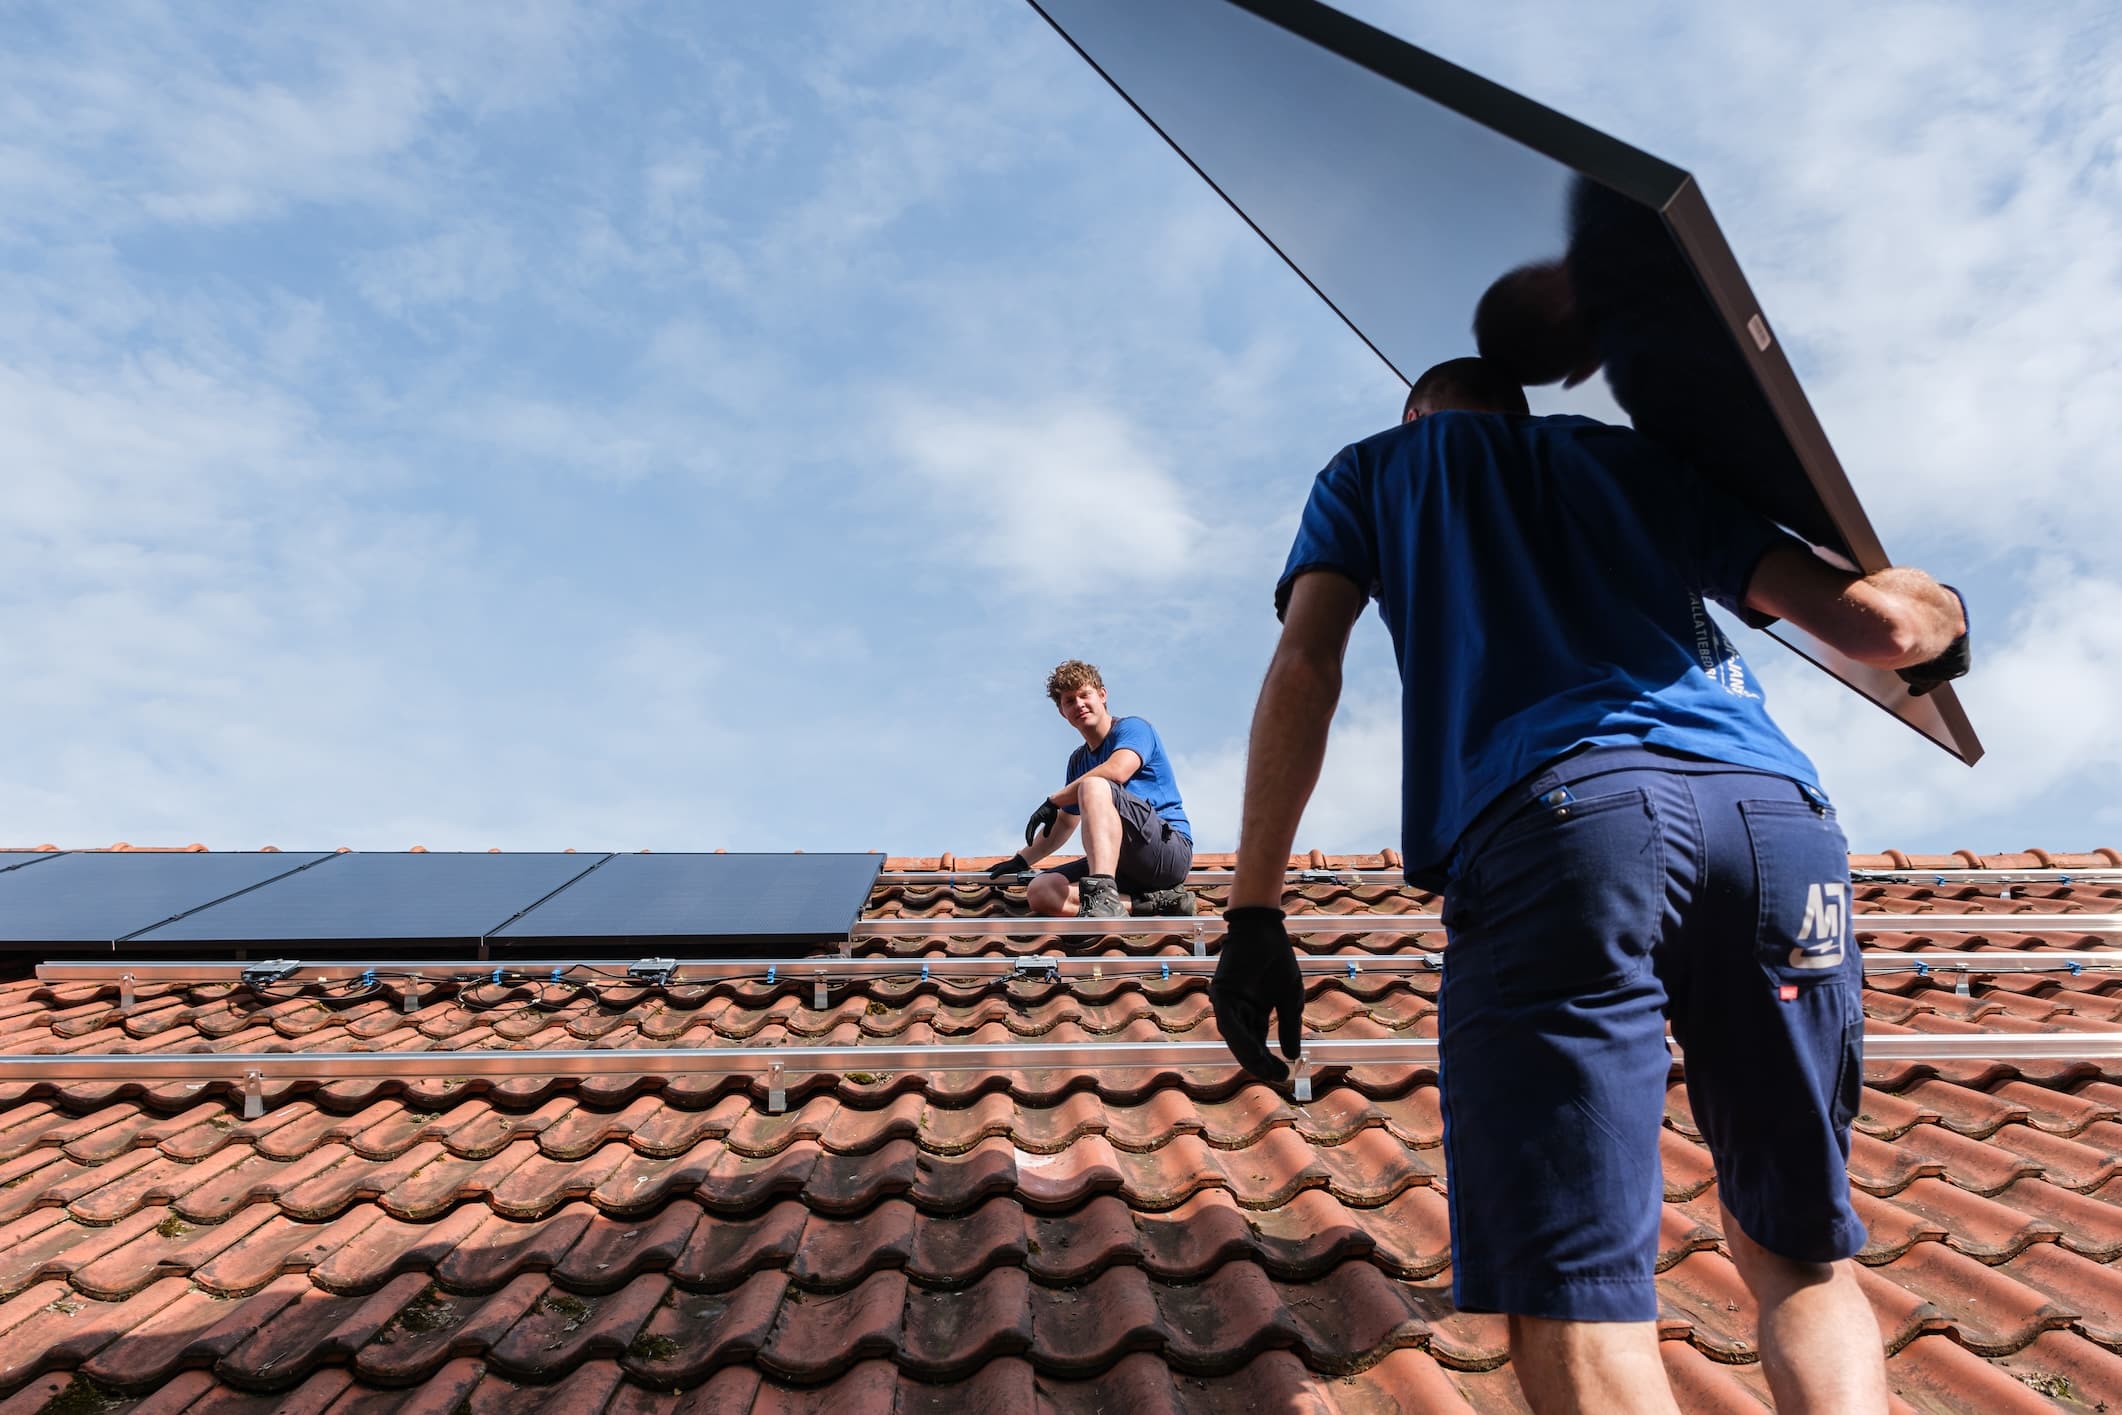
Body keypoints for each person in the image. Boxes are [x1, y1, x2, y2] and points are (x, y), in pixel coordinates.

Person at [1210, 357, 1969, 1415]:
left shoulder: (1375, 469)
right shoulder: (1626, 459)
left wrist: (1254, 910)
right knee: (1796, 1249)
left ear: (1417, 414)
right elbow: (1882, 633)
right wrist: (1941, 601)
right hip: (1779, 830)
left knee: (1573, 1291)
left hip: (1568, 826)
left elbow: (1306, 662)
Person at [987, 659, 1197, 920]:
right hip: (1120, 865)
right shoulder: (1079, 761)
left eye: (1084, 695)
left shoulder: (1133, 729)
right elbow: (1063, 824)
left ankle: (1103, 894)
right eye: (1069, 701)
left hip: (1166, 854)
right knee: (1041, 891)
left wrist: (1053, 800)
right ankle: (1153, 904)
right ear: (1062, 712)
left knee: (1095, 786)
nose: (1079, 705)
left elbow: (1117, 770)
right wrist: (1022, 860)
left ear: (1102, 695)